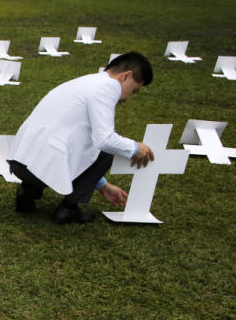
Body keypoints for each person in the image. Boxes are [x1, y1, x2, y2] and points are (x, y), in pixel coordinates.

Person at [8, 52, 155, 224]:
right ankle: (69, 209)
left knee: (78, 139)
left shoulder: (86, 81)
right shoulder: (108, 87)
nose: (128, 98)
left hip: (19, 162)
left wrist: (102, 186)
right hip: (42, 167)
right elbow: (104, 141)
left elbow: (80, 144)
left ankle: (28, 192)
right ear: (126, 76)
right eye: (133, 90)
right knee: (111, 146)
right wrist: (135, 148)